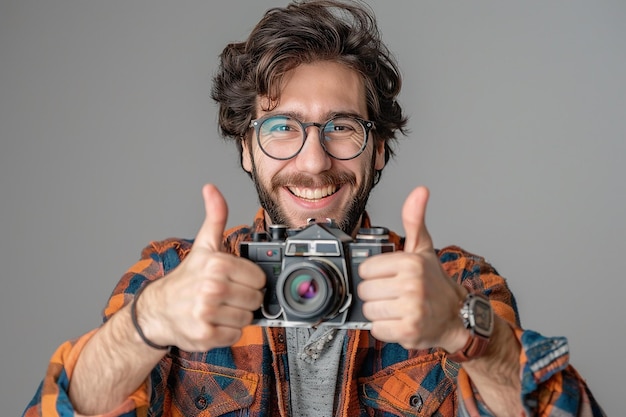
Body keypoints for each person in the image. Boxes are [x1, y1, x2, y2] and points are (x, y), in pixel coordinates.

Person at [23, 1, 605, 416]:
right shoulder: (176, 281)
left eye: (342, 128)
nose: (314, 161)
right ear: (247, 149)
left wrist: (462, 329)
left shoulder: (454, 285)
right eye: (282, 128)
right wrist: (146, 324)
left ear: (378, 150)